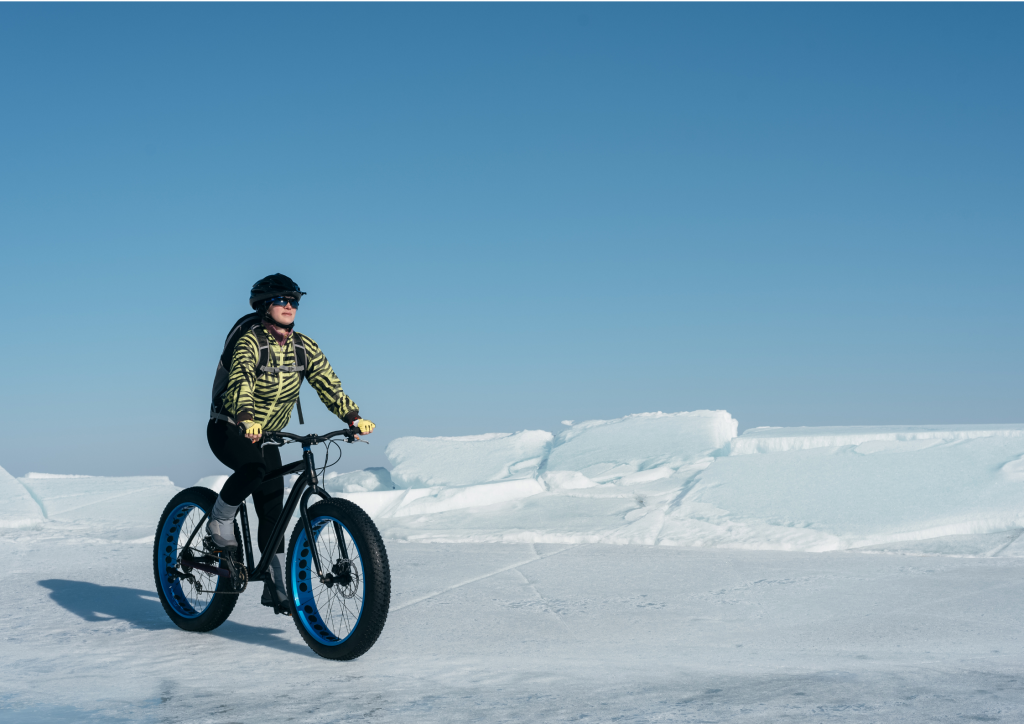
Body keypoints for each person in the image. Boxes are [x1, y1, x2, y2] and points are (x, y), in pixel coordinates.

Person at [205, 273, 374, 615]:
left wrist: (352, 418)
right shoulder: (250, 342)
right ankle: (219, 520)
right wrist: (246, 418)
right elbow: (240, 382)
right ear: (265, 306)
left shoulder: (304, 346)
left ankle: (275, 583)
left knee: (273, 509)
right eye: (282, 300)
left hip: (266, 435)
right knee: (253, 470)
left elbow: (328, 384)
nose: (289, 306)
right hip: (230, 427)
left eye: (294, 301)